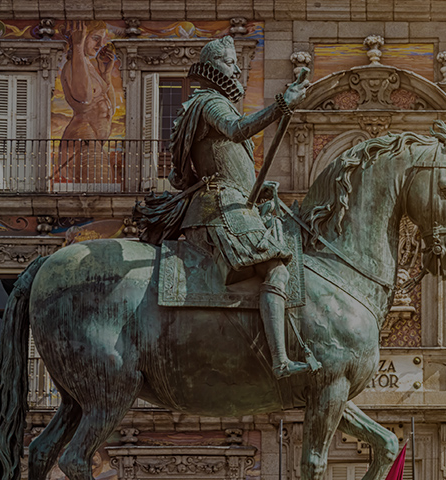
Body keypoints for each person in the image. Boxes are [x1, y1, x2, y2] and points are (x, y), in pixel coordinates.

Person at [139, 37, 314, 379]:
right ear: (213, 67)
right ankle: (279, 361)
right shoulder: (210, 103)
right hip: (219, 208)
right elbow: (237, 130)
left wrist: (257, 188)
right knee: (277, 268)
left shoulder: (205, 105)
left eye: (236, 62)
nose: (236, 69)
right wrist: (281, 104)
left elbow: (208, 166)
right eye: (230, 62)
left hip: (227, 202)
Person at [58, 21, 117, 183]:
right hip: (83, 138)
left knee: (102, 191)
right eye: (95, 38)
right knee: (99, 194)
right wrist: (77, 46)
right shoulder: (72, 65)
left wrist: (106, 75)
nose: (100, 45)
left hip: (93, 141)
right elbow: (84, 98)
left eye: (102, 40)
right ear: (82, 37)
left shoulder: (89, 66)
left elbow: (111, 110)